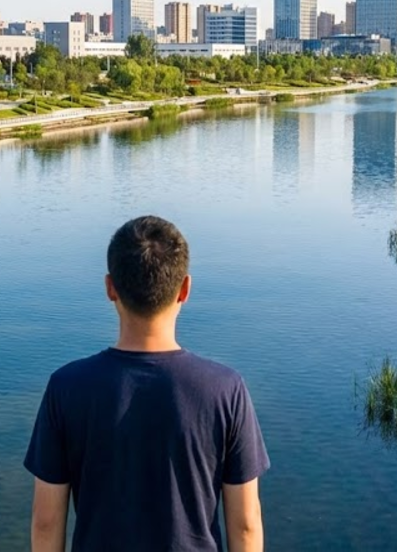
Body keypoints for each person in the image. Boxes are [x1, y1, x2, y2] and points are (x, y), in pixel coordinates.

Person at [24, 215, 269, 552]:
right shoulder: (225, 390)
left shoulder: (66, 388)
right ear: (185, 289)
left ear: (110, 287)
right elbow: (244, 526)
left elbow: (46, 521)